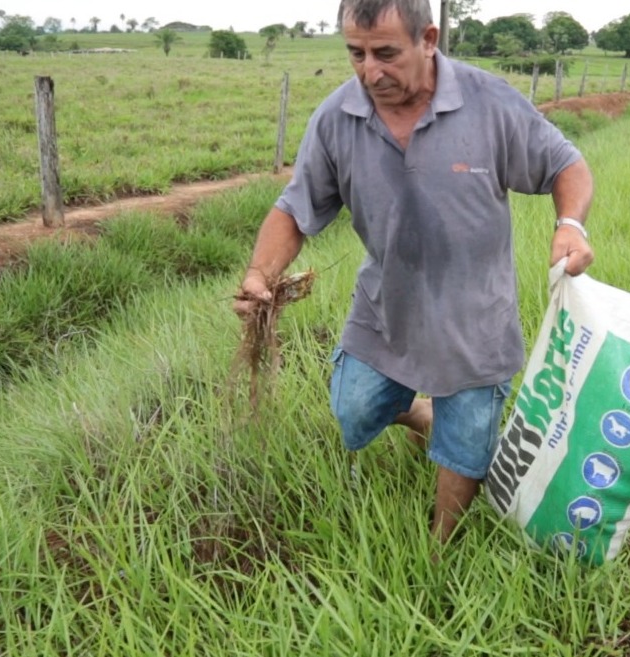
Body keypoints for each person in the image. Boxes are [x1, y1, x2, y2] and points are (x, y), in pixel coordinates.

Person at [233, 0, 594, 545]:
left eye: (385, 53)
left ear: (428, 39)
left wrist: (570, 223)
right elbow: (294, 209)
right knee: (353, 412)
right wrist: (261, 274)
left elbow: (566, 163)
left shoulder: (488, 102)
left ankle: (437, 553)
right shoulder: (337, 118)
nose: (369, 72)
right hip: (387, 308)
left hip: (475, 315)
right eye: (356, 54)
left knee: (468, 447)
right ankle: (424, 414)